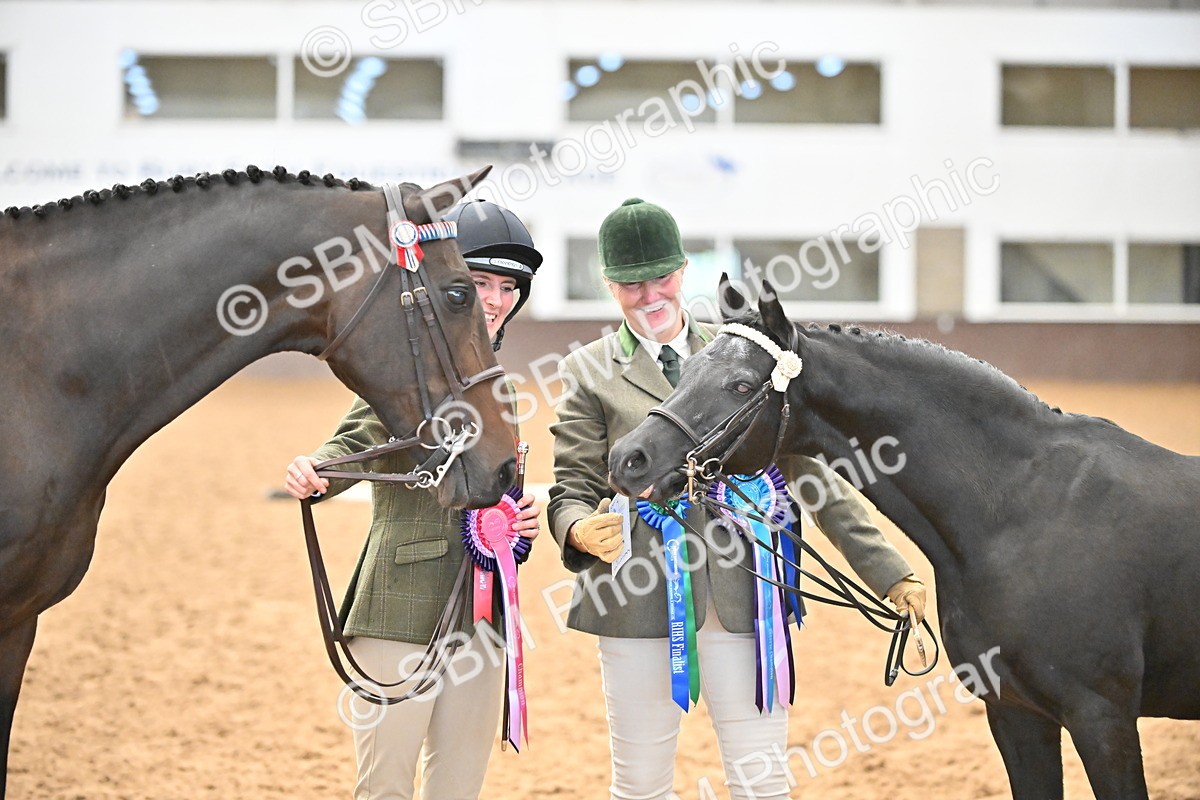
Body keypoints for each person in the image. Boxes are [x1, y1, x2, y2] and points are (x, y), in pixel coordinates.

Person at [548, 198, 928, 800]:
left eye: (661, 278)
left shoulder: (739, 356)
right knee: (641, 785)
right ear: (609, 285)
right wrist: (575, 530)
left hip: (745, 594)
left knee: (762, 782)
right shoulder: (587, 371)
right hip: (635, 603)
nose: (649, 295)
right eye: (630, 283)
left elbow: (811, 477)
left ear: (682, 272)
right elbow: (571, 484)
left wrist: (888, 571)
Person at [283, 199, 543, 800]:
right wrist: (318, 473)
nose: (496, 299)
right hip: (400, 611)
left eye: (509, 287)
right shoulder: (411, 374)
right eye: (479, 282)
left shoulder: (497, 387)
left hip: (483, 620)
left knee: (458, 789)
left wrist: (518, 516)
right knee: (387, 789)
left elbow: (494, 498)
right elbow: (355, 443)